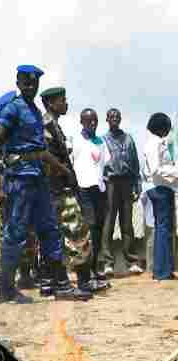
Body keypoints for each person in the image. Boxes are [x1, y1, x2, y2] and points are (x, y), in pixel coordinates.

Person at [0, 65, 87, 303]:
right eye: (26, 82)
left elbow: (40, 150)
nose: (30, 86)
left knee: (49, 230)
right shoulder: (14, 109)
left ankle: (62, 284)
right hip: (19, 179)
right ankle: (7, 289)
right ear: (18, 83)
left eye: (34, 83)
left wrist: (62, 169)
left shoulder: (34, 109)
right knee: (15, 233)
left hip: (38, 177)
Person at [39, 87, 94, 298]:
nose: (66, 103)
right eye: (62, 100)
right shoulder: (46, 125)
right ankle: (83, 282)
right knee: (77, 232)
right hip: (57, 188)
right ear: (51, 103)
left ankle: (48, 282)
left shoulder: (52, 125)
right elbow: (47, 158)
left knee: (54, 236)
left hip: (54, 188)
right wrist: (65, 174)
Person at [73, 108, 111, 290]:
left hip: (99, 190)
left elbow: (105, 163)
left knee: (98, 230)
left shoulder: (100, 141)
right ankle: (86, 274)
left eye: (95, 120)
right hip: (84, 189)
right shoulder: (78, 141)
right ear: (82, 122)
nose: (93, 124)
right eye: (89, 121)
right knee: (89, 230)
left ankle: (97, 269)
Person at [101, 108, 142, 276]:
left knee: (127, 223)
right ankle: (107, 263)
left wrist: (137, 185)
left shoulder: (128, 139)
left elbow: (135, 164)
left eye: (117, 116)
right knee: (109, 223)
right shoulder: (103, 140)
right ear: (107, 119)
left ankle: (131, 261)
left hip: (126, 182)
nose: (114, 119)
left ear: (120, 119)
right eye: (111, 117)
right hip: (110, 183)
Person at [141, 113, 178, 280]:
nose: (167, 133)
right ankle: (161, 271)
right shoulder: (153, 143)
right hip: (159, 188)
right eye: (166, 129)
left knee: (164, 230)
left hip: (163, 187)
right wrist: (176, 172)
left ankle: (164, 269)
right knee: (163, 230)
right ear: (160, 128)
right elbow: (156, 169)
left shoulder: (155, 142)